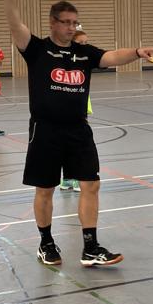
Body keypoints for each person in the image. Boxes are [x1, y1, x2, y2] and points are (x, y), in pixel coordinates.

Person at [0, 0, 153, 267]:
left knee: (91, 184)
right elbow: (15, 26)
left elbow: (111, 56)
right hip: (45, 130)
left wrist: (136, 53)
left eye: (75, 23)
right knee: (45, 189)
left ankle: (90, 247)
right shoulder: (37, 49)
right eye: (66, 22)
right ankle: (46, 243)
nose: (72, 28)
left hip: (78, 130)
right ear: (53, 23)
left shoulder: (83, 52)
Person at [59, 30, 94, 192]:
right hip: (68, 109)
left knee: (75, 145)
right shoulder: (64, 60)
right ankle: (73, 178)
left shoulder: (85, 59)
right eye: (80, 43)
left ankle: (69, 178)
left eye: (86, 43)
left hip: (81, 106)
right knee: (73, 145)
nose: (84, 46)